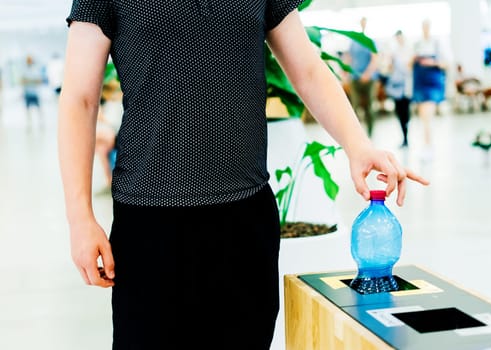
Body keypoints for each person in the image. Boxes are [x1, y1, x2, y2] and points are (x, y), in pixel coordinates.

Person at [57, 2, 430, 349]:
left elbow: (309, 70)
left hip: (244, 222)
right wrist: (80, 218)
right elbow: (79, 96)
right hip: (150, 222)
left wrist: (358, 145)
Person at [412, 19, 449, 159]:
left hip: (433, 83)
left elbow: (447, 63)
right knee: (424, 117)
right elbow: (408, 65)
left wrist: (432, 62)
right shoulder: (417, 45)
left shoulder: (438, 43)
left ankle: (428, 145)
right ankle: (427, 145)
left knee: (427, 116)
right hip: (420, 83)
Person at [346, 16, 379, 137]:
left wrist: (367, 74)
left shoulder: (370, 41)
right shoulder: (353, 41)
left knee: (369, 107)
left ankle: (370, 133)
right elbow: (349, 58)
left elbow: (375, 59)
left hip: (369, 79)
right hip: (355, 78)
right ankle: (357, 135)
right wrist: (345, 72)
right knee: (354, 107)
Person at [385, 30, 413, 148]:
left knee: (406, 112)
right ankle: (404, 137)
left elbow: (410, 69)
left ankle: (406, 136)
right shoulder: (394, 52)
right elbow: (390, 69)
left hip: (406, 87)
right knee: (400, 112)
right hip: (396, 88)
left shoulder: (410, 51)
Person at [95, 79, 123, 193]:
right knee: (101, 149)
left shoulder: (116, 104)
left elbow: (113, 124)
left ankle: (110, 181)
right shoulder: (109, 104)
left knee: (97, 140)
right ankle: (109, 181)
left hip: (117, 134)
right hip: (112, 134)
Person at [20, 54, 44, 128]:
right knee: (28, 110)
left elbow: (39, 81)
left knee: (39, 109)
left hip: (35, 93)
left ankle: (41, 123)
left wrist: (29, 81)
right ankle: (29, 124)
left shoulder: (35, 69)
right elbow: (22, 81)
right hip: (27, 93)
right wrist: (32, 81)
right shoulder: (23, 69)